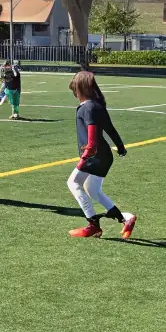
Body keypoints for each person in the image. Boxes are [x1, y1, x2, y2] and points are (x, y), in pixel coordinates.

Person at [67, 70, 136, 240]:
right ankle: (125, 218)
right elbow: (110, 129)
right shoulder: (97, 105)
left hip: (94, 155)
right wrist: (120, 148)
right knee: (92, 190)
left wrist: (84, 158)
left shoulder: (87, 108)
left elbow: (91, 141)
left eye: (75, 90)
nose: (75, 94)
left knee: (73, 183)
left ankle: (93, 225)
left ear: (80, 89)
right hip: (104, 156)